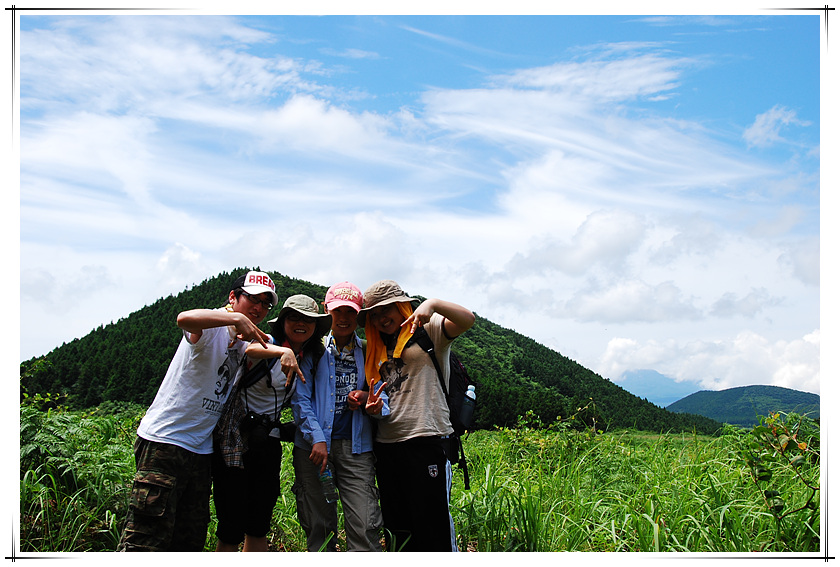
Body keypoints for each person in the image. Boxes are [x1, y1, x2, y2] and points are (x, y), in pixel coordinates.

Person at [118, 270, 277, 552]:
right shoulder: (212, 326)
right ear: (233, 297)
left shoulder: (246, 340)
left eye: (266, 303)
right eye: (252, 298)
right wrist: (235, 317)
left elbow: (264, 349)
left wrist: (284, 353)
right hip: (166, 441)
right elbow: (184, 318)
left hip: (201, 449)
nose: (259, 307)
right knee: (146, 538)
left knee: (189, 539)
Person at [357, 280, 475, 552]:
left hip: (427, 440)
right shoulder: (374, 347)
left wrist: (432, 304)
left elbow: (467, 319)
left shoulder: (429, 332)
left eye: (385, 309)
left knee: (432, 528)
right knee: (398, 529)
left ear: (401, 306)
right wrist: (367, 403)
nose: (379, 318)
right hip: (387, 446)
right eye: (373, 314)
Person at [212, 294, 330, 552]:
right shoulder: (271, 343)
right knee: (231, 523)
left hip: (267, 441)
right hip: (236, 439)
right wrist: (282, 351)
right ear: (283, 322)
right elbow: (250, 349)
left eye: (308, 320)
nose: (301, 324)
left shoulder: (310, 356)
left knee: (259, 521)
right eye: (294, 318)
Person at [290, 282, 390, 552]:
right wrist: (317, 439)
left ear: (360, 315)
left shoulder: (370, 350)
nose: (344, 318)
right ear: (326, 311)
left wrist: (370, 401)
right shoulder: (312, 349)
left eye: (350, 312)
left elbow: (385, 394)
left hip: (356, 447)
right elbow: (299, 399)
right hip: (313, 447)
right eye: (338, 311)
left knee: (365, 522)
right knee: (318, 524)